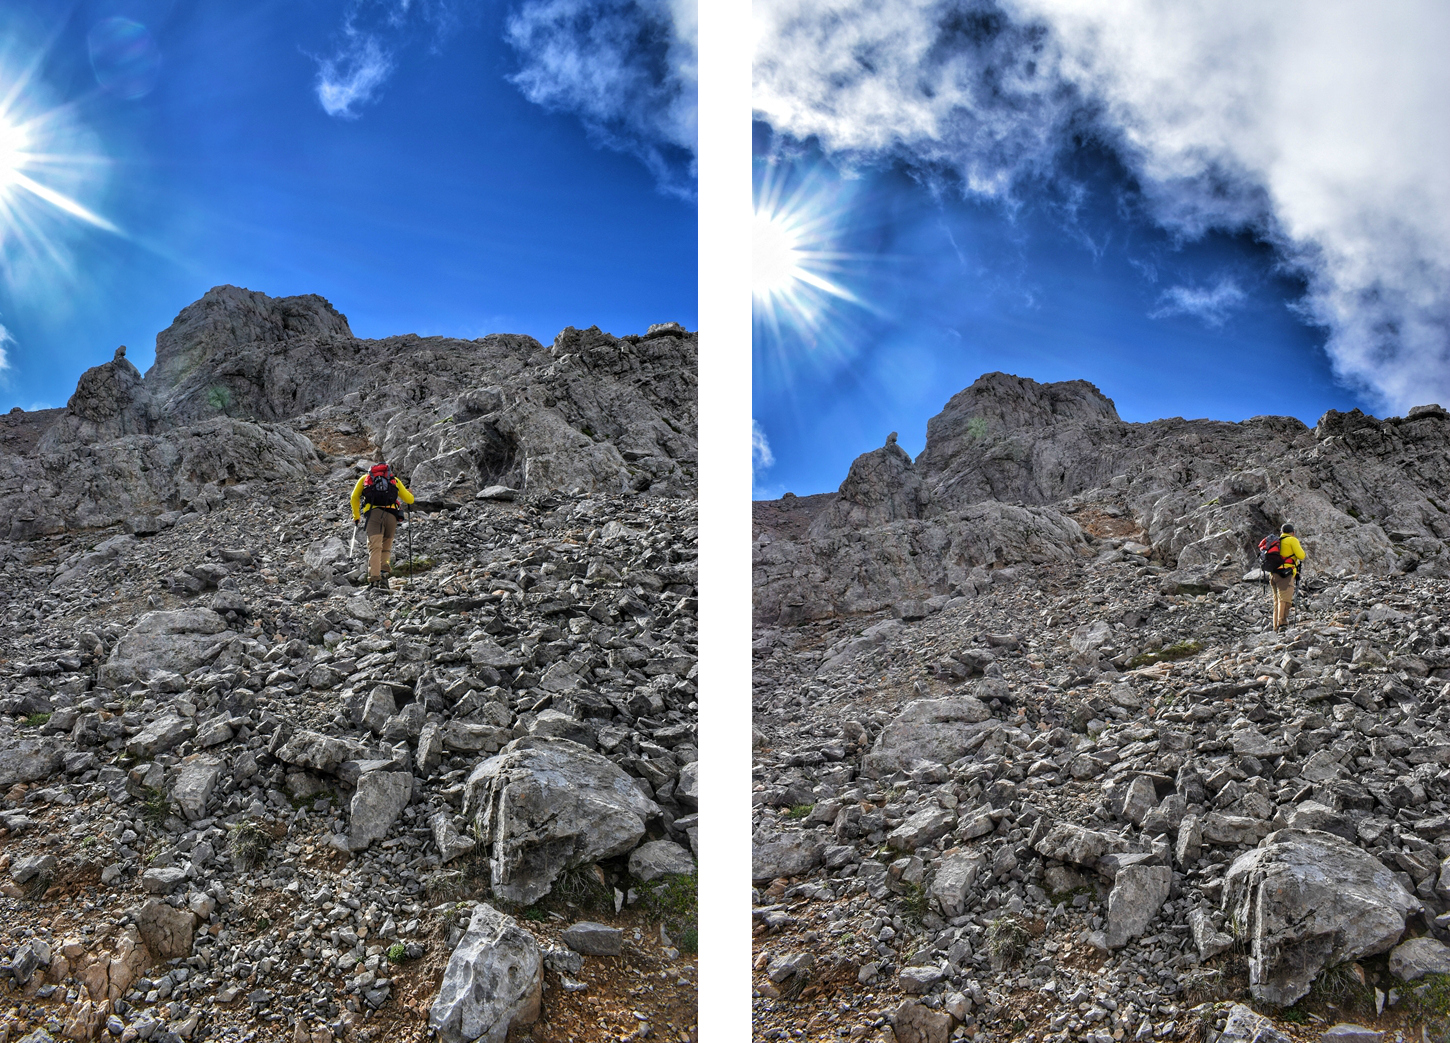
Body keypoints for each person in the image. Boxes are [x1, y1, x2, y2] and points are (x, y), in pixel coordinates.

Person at [350, 463, 415, 586]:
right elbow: (409, 500)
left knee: (375, 548)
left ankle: (374, 580)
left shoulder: (365, 479)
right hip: (391, 516)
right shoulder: (393, 480)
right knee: (386, 548)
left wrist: (356, 516)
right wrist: (409, 492)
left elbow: (354, 497)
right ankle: (384, 576)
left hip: (373, 515)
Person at [1268, 522, 1306, 632]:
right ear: (1293, 533)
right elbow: (1301, 556)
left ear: (1281, 532)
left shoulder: (1276, 542)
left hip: (1273, 574)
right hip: (1285, 574)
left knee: (1277, 601)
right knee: (1285, 600)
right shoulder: (1292, 540)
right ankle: (1282, 624)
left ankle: (1275, 626)